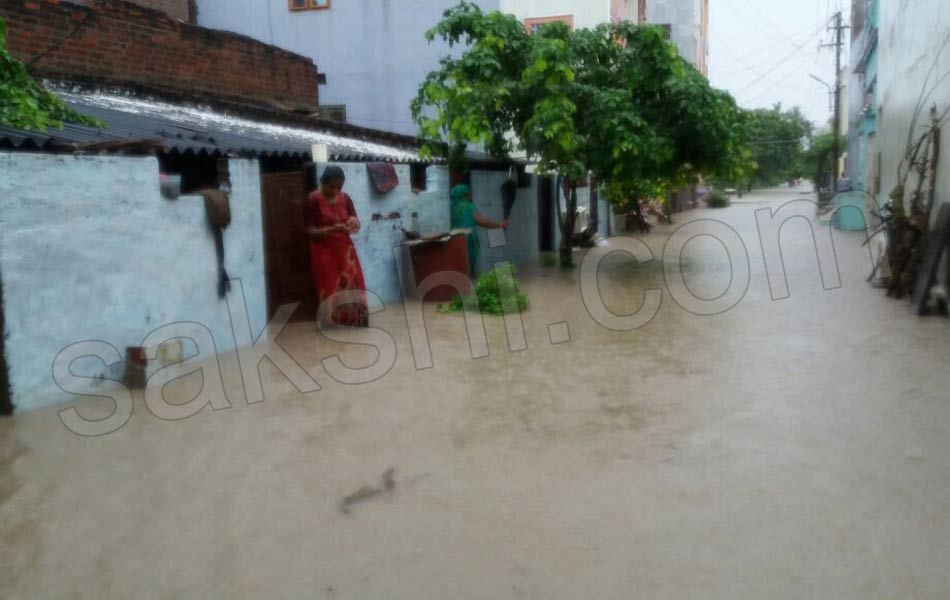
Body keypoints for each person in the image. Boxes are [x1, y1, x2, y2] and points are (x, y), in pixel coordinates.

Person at [305, 166, 369, 327]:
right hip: (323, 252)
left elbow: (355, 220)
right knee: (329, 285)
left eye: (338, 188)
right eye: (331, 187)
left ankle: (356, 319)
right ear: (322, 183)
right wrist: (332, 229)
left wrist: (354, 223)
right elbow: (309, 230)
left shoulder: (345, 198)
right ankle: (333, 324)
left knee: (353, 283)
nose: (335, 191)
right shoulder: (312, 200)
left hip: (345, 250)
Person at [449, 184, 508, 277]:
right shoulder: (468, 206)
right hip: (468, 242)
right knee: (470, 271)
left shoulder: (450, 207)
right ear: (464, 195)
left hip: (453, 243)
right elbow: (481, 220)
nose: (470, 196)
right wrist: (499, 225)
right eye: (468, 194)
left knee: (458, 271)